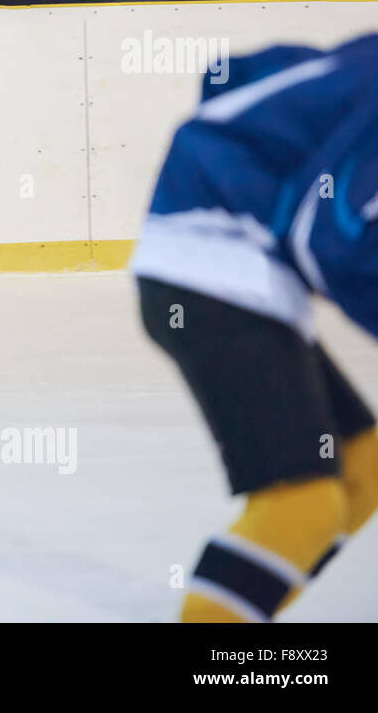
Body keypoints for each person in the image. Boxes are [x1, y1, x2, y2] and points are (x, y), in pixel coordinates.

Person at [131, 35, 378, 621]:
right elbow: (327, 233)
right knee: (304, 503)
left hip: (219, 268)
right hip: (214, 277)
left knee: (364, 463)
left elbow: (241, 75)